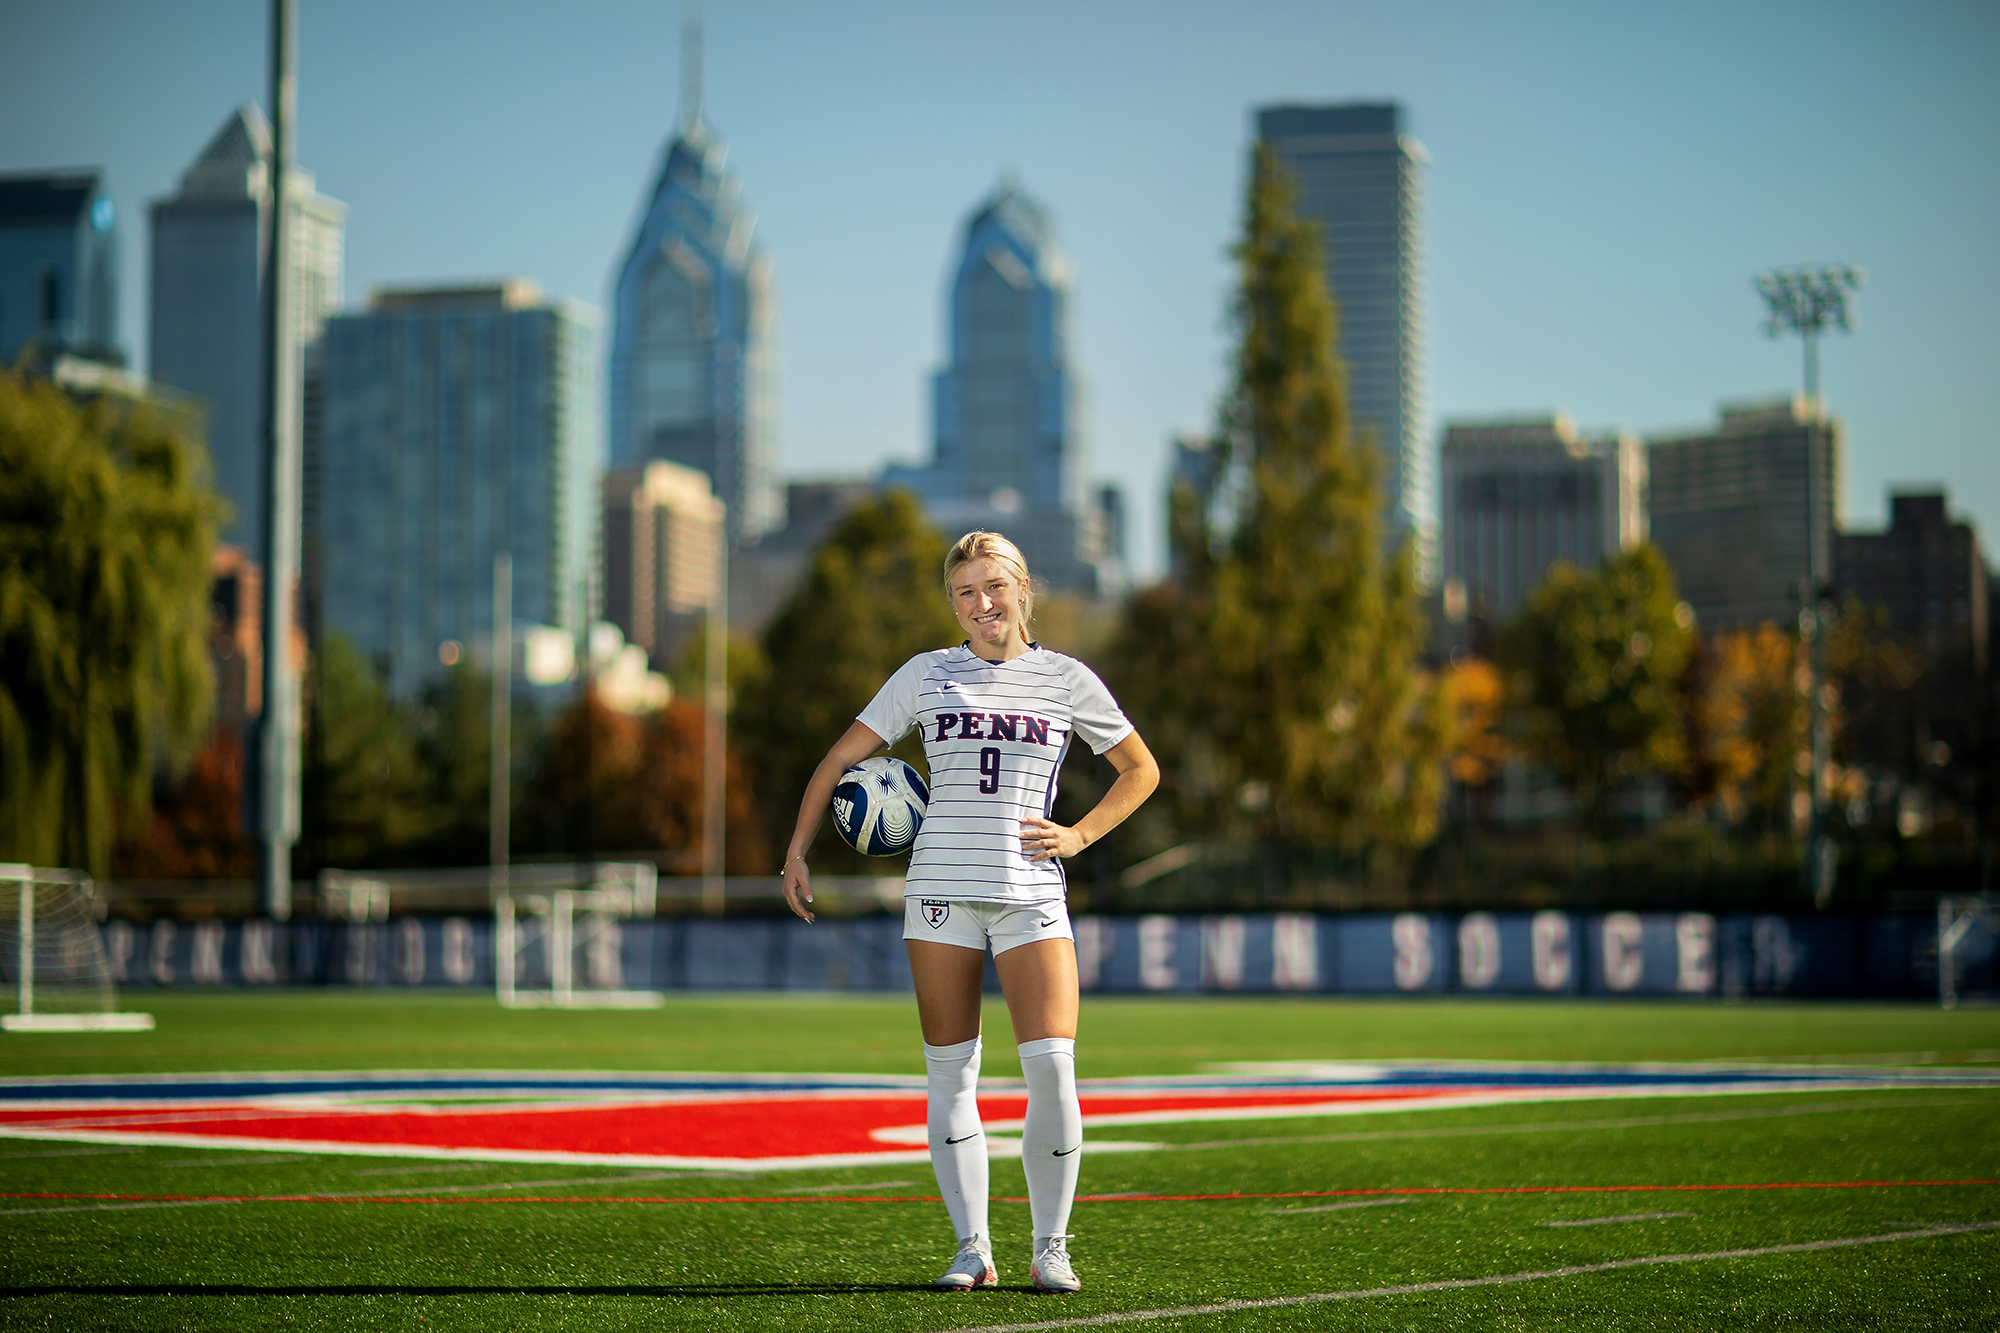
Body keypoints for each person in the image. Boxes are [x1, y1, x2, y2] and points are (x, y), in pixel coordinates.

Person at [781, 530, 1158, 1294]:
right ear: (953, 602)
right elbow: (836, 760)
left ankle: (1052, 1245)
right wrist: (797, 849)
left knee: (1052, 1071)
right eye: (964, 592)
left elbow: (1140, 769)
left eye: (993, 586)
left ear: (1024, 588)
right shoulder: (926, 674)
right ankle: (972, 1246)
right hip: (940, 894)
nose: (981, 604)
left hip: (1030, 895)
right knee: (951, 1076)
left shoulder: (1066, 679)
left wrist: (1081, 833)